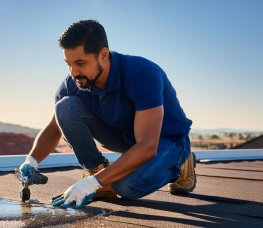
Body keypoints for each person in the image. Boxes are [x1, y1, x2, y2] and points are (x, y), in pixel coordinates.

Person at [19, 19, 195, 209]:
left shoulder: (142, 74)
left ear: (103, 54)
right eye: (68, 63)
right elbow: (54, 129)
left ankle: (180, 164)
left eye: (80, 63)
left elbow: (147, 146)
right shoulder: (74, 83)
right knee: (64, 106)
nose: (73, 72)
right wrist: (32, 160)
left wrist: (91, 183)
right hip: (125, 137)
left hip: (165, 141)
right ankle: (97, 171)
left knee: (126, 188)